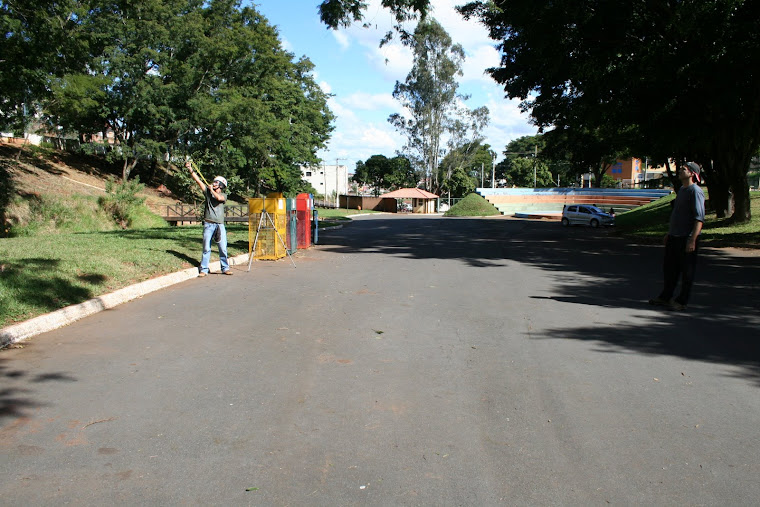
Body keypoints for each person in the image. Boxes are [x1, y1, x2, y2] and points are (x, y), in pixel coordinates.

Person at [649, 162, 705, 310]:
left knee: (687, 272)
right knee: (669, 269)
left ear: (692, 173)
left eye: (683, 169)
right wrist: (669, 233)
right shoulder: (682, 190)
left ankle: (681, 301)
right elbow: (678, 215)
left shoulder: (695, 191)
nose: (680, 171)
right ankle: (665, 297)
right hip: (674, 237)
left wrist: (692, 239)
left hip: (686, 238)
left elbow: (699, 218)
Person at [185, 161, 232, 277]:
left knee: (223, 248)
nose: (214, 183)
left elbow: (219, 198)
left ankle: (225, 268)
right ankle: (204, 269)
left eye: (216, 182)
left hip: (219, 225)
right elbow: (198, 181)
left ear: (221, 185)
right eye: (214, 182)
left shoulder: (224, 195)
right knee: (206, 248)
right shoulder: (207, 192)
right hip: (208, 224)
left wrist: (211, 190)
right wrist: (190, 169)